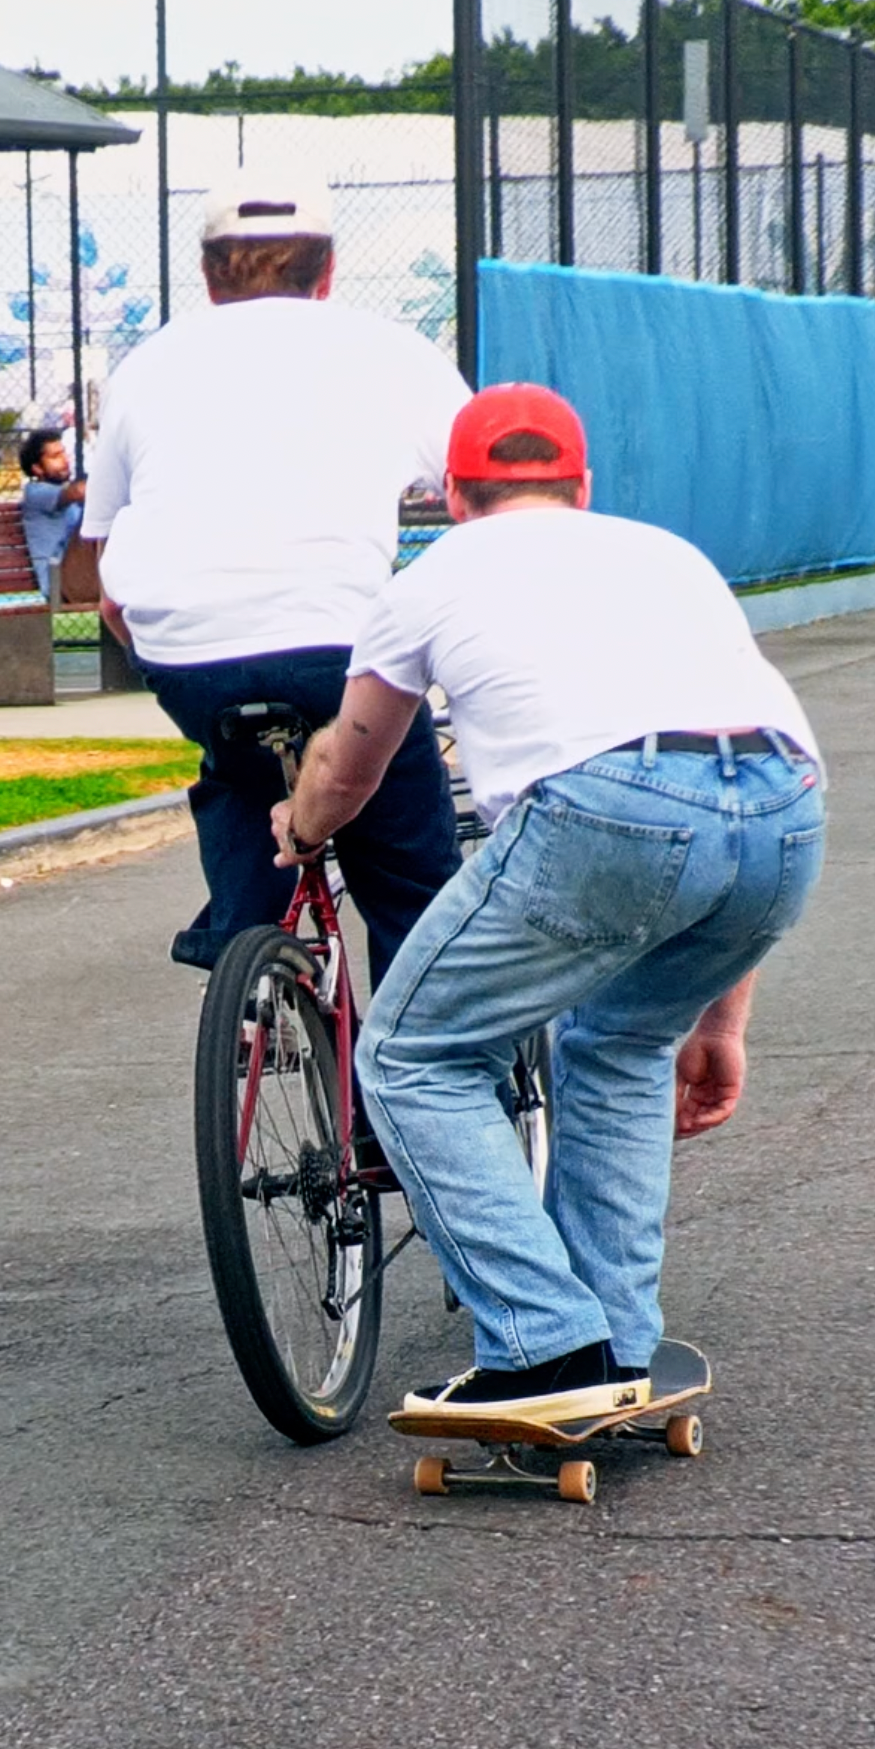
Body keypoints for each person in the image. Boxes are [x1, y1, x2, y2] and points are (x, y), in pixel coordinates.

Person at [270, 385, 827, 1423]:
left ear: (451, 496)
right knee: (617, 1045)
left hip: (603, 808)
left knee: (407, 1057)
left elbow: (353, 768)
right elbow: (718, 781)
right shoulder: (670, 558)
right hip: (786, 810)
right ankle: (618, 1342)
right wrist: (719, 1018)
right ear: (579, 487)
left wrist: (300, 828)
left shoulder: (430, 577)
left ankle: (541, 1348)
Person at [75, 172, 471, 983]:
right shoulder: (390, 351)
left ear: (210, 275)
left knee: (237, 765)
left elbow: (107, 583)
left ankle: (248, 949)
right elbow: (484, 495)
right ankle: (426, 1083)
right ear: (326, 273)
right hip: (342, 647)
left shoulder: (146, 367)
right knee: (407, 864)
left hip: (186, 655)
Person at [17, 427, 87, 598]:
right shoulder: (35, 493)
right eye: (55, 457)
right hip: (60, 582)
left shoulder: (67, 496)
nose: (65, 460)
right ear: (37, 469)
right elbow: (78, 492)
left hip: (83, 574)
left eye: (63, 453)